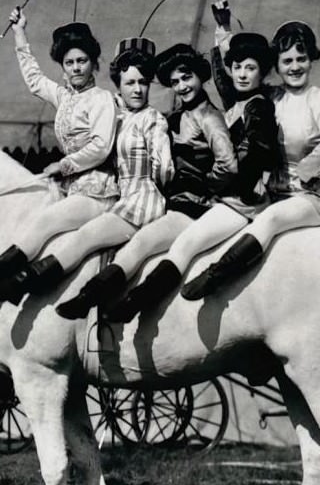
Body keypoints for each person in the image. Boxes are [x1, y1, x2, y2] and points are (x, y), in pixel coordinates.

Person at [58, 43, 237, 320]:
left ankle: (109, 301)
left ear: (200, 76)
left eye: (187, 77)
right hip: (174, 201)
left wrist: (203, 186)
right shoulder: (179, 115)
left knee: (143, 244)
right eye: (175, 81)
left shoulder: (209, 117)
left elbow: (227, 165)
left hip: (193, 205)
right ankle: (91, 297)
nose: (181, 86)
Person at [0, 37, 173, 316]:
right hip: (119, 196)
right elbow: (37, 82)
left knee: (88, 236)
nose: (138, 89)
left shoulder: (153, 118)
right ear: (119, 85)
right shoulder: (116, 111)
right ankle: (21, 284)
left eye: (143, 83)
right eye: (130, 83)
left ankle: (70, 297)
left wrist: (149, 183)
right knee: (78, 234)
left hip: (141, 200)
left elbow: (165, 168)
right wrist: (21, 34)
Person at [0, 7, 118, 304]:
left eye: (82, 61)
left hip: (100, 193)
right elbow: (34, 80)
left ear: (94, 64)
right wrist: (20, 33)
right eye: (69, 63)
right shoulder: (65, 97)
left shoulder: (102, 99)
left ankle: (5, 280)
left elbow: (101, 146)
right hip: (73, 191)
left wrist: (63, 164)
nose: (76, 68)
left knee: (46, 221)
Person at [179, 13, 320, 298]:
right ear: (276, 66)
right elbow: (236, 73)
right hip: (273, 192)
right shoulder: (271, 97)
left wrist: (304, 172)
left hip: (308, 195)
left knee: (268, 221)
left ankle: (216, 276)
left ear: (310, 59)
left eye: (301, 58)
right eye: (287, 61)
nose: (295, 67)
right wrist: (223, 30)